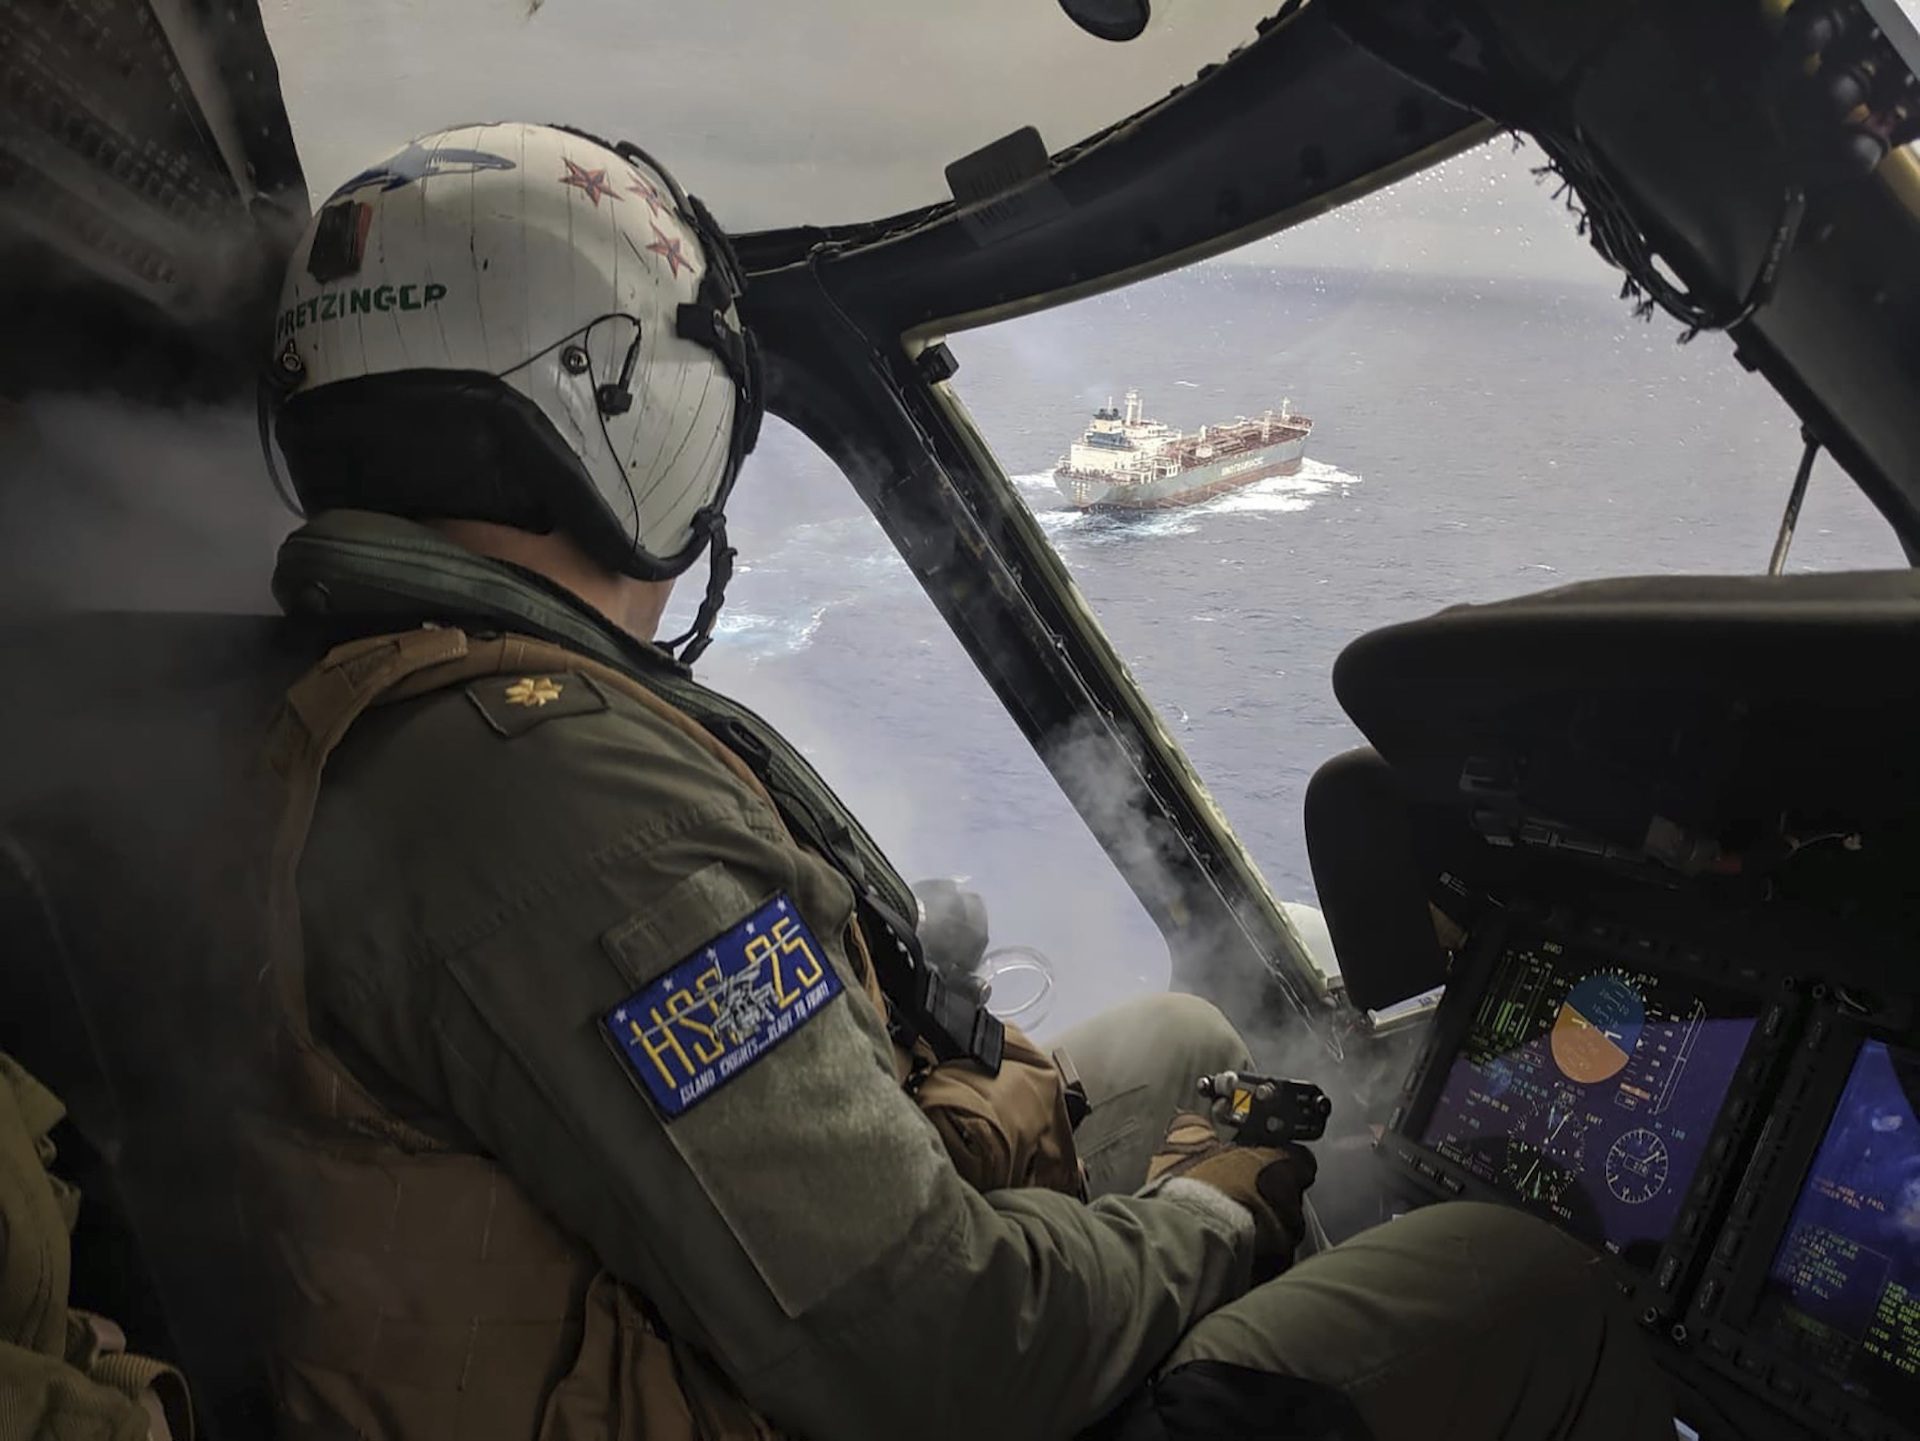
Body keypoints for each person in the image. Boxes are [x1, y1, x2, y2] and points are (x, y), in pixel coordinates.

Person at [247, 122, 1676, 1441]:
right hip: (858, 1387)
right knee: (1522, 1276)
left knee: (1181, 1040)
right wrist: (1207, 1218)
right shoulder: (554, 797)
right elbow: (937, 1352)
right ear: (630, 410)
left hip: (640, 1329)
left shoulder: (380, 694)